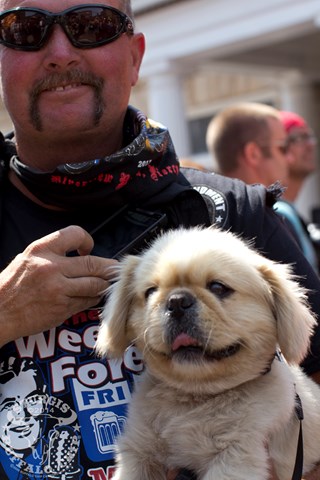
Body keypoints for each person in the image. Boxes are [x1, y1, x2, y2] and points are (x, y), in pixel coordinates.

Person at [0, 2, 319, 479]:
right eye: (25, 30)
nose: (60, 52)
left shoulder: (234, 214)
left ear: (134, 55)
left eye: (92, 26)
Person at [206, 102, 319, 273]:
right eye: (282, 148)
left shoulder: (209, 217)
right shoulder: (273, 215)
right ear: (253, 154)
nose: (288, 159)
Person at [274, 110, 319, 272]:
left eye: (310, 136)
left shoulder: (288, 211)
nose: (311, 144)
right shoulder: (276, 215)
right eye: (300, 138)